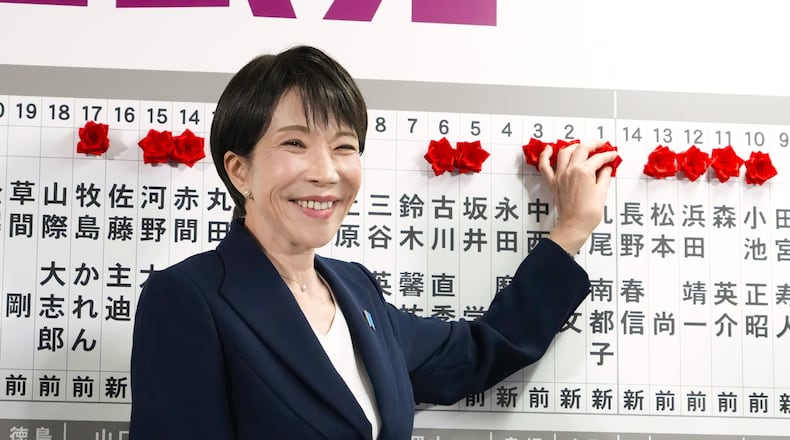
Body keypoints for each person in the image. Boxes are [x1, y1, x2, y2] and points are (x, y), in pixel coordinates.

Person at [129, 45, 617, 439]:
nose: (326, 172)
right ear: (239, 170)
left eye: (344, 147)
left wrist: (570, 230)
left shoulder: (354, 289)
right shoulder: (189, 298)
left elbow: (478, 353)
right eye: (295, 143)